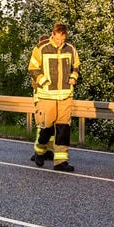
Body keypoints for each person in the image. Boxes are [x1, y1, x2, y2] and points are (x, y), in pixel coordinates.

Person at [28, 23, 80, 172]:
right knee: (46, 128)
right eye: (57, 39)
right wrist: (43, 81)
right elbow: (32, 68)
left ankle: (61, 161)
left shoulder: (71, 48)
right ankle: (39, 151)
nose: (60, 43)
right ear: (53, 34)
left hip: (65, 96)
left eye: (62, 40)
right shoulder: (41, 48)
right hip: (47, 96)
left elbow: (76, 66)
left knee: (64, 129)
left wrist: (74, 77)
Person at [29, 34, 55, 164]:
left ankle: (45, 150)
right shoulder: (38, 63)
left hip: (47, 98)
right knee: (43, 125)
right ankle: (40, 151)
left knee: (48, 126)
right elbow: (35, 81)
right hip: (41, 98)